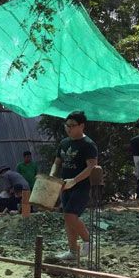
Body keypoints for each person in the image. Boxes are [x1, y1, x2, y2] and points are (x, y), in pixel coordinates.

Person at [51, 111, 98, 260]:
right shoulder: (64, 143)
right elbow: (57, 162)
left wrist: (75, 180)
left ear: (82, 126)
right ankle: (73, 251)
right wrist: (52, 175)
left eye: (72, 125)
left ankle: (89, 241)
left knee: (70, 215)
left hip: (81, 186)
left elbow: (91, 166)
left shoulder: (88, 144)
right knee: (67, 218)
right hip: (64, 186)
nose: (69, 128)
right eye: (67, 125)